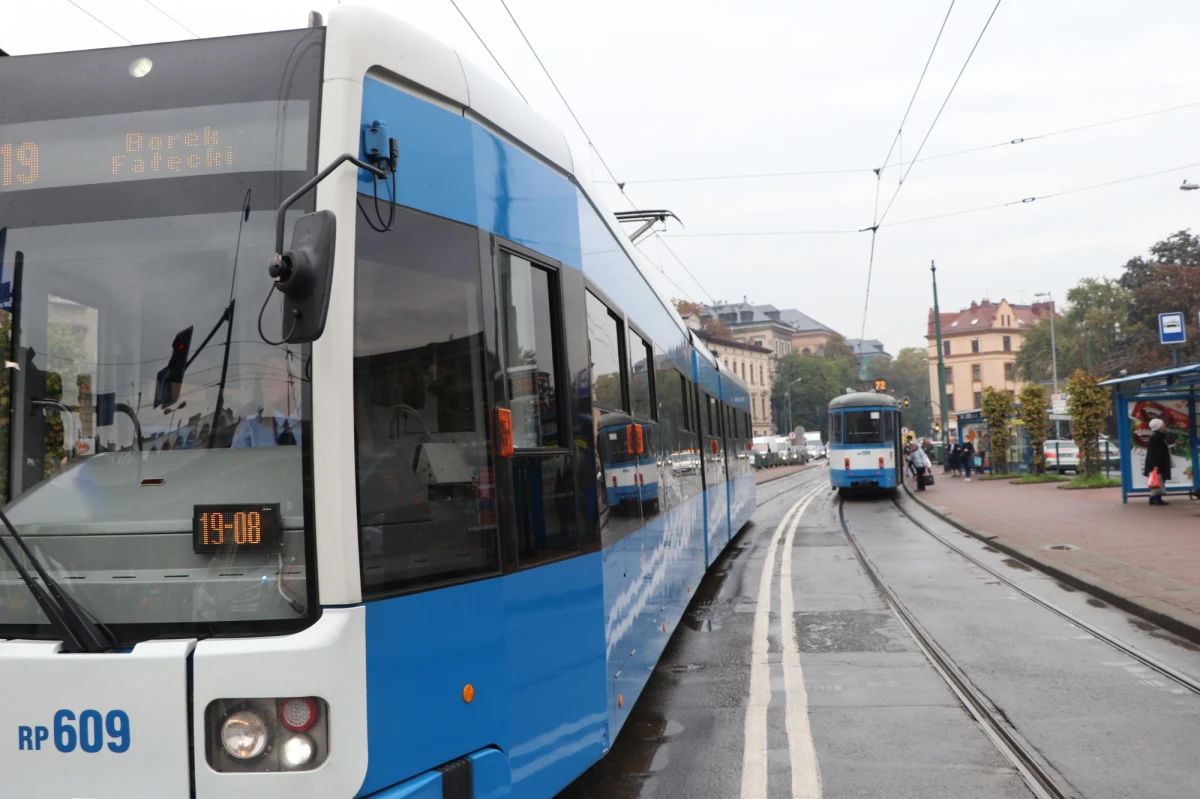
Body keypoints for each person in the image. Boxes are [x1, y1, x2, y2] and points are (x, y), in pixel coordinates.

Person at [231, 349, 302, 448]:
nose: (266, 382)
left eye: (275, 374)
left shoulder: (317, 422)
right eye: (263, 375)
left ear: (293, 380)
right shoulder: (249, 428)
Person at [1143, 417, 1172, 505]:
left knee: (1159, 481)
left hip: (1159, 464)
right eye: (1162, 424)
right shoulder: (1157, 437)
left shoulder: (1158, 436)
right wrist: (1155, 465)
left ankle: (1154, 498)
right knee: (1158, 481)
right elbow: (1155, 453)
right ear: (1158, 426)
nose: (1164, 425)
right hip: (1158, 464)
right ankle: (1156, 499)